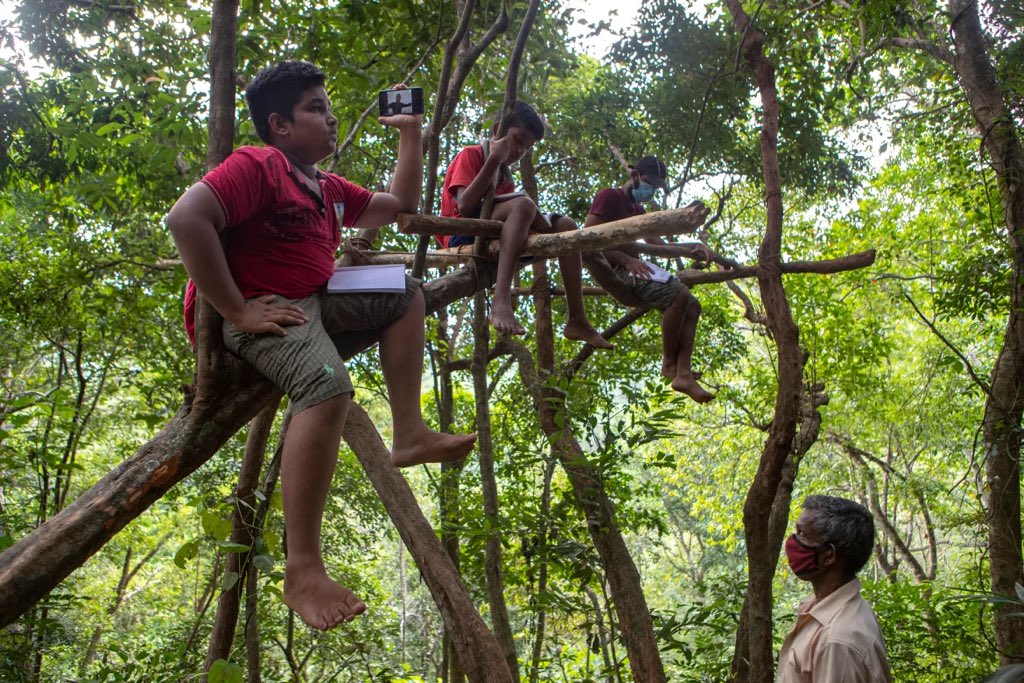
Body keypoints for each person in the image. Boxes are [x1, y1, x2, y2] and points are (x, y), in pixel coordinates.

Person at [165, 61, 476, 631]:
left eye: (328, 108)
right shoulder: (260, 165)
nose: (330, 119)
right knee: (326, 385)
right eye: (315, 109)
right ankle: (302, 569)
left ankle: (408, 432)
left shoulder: (326, 187)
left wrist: (410, 133)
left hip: (314, 296)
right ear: (279, 125)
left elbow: (398, 206)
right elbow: (187, 219)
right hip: (263, 306)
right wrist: (237, 309)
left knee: (405, 291)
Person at [438, 101, 611, 348]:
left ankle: (577, 318)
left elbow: (507, 216)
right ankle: (501, 299)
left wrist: (537, 220)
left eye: (527, 147)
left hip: (492, 232)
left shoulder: (505, 175)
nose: (520, 150)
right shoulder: (472, 154)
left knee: (567, 225)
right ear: (497, 130)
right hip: (461, 232)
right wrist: (493, 160)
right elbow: (465, 205)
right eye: (518, 140)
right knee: (524, 206)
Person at [584, 156, 714, 403]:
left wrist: (691, 247)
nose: (651, 189)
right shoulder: (609, 197)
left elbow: (660, 246)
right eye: (649, 182)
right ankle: (669, 364)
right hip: (616, 269)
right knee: (678, 295)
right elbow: (586, 241)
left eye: (656, 186)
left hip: (635, 268)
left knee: (693, 305)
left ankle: (683, 373)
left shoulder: (638, 211)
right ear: (634, 176)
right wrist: (626, 260)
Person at [778, 495, 893, 682]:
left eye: (802, 533)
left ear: (829, 555)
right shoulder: (824, 609)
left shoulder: (838, 641)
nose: (792, 541)